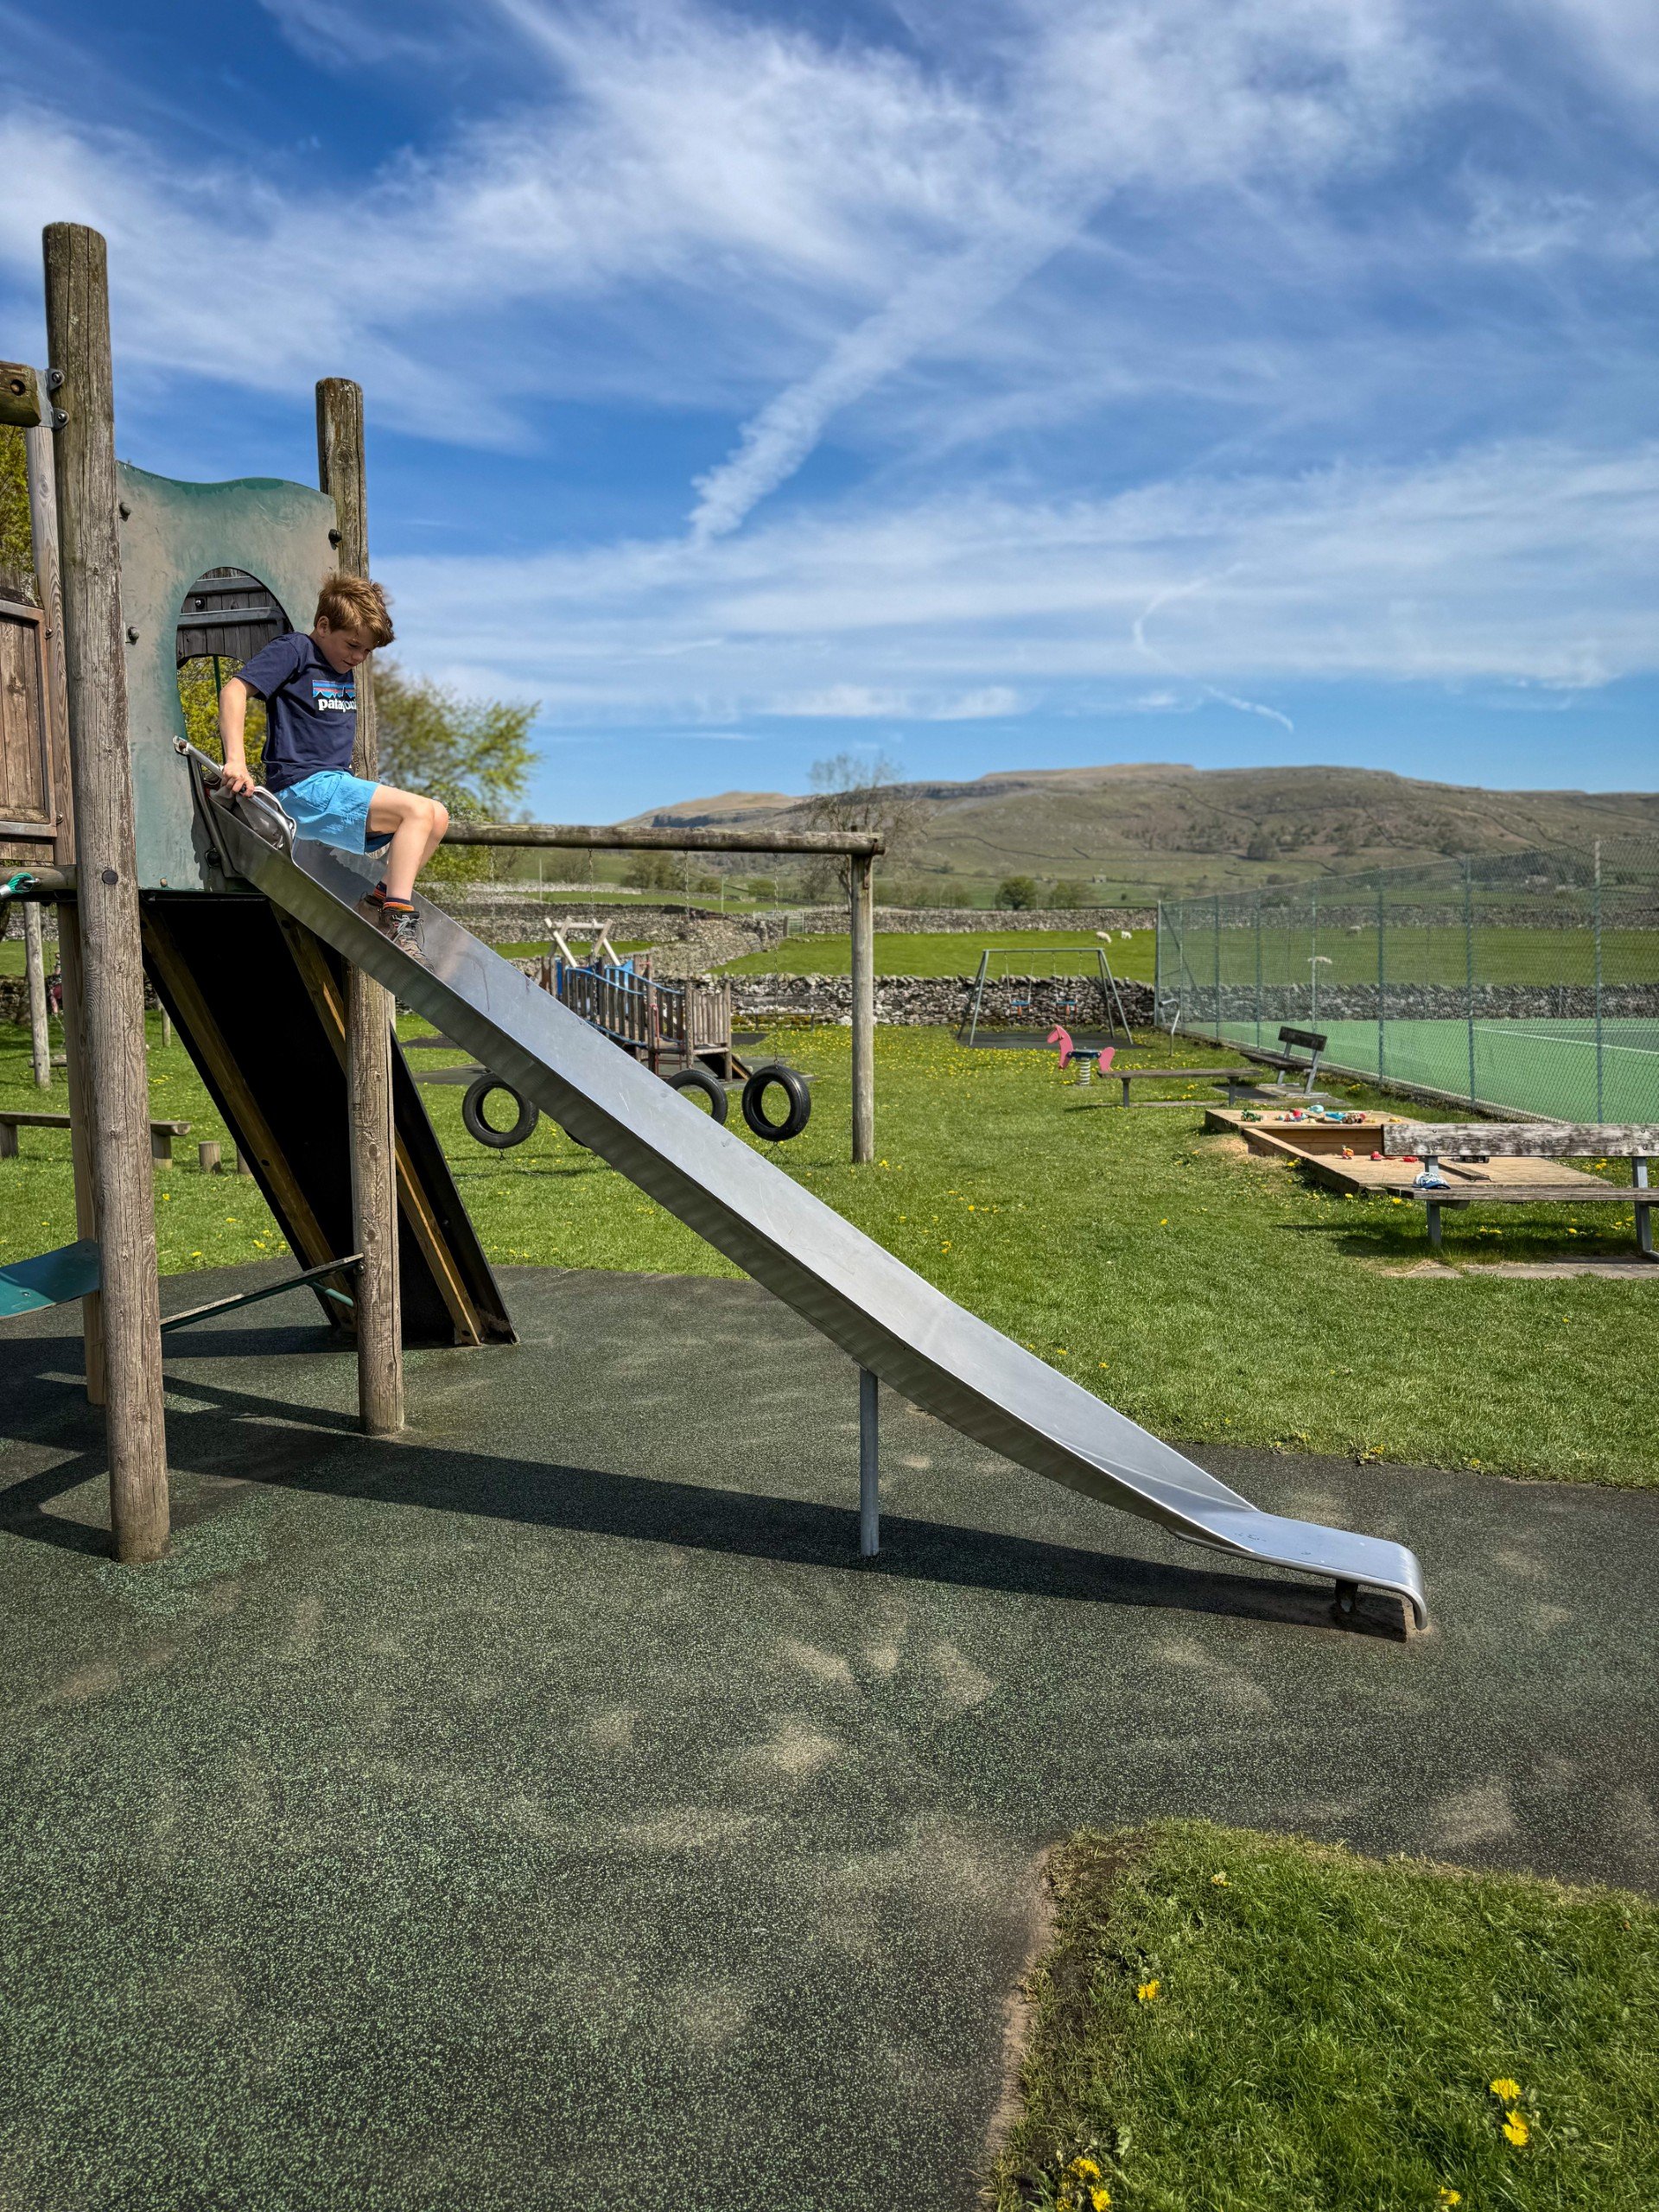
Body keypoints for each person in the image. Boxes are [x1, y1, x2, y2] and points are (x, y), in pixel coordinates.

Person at [216, 575, 448, 955]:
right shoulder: (296, 649)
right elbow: (235, 690)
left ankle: (377, 903)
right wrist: (236, 761)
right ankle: (396, 916)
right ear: (323, 626)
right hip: (301, 789)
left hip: (333, 787)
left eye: (367, 652)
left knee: (437, 817)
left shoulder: (342, 666)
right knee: (419, 812)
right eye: (353, 645)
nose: (358, 657)